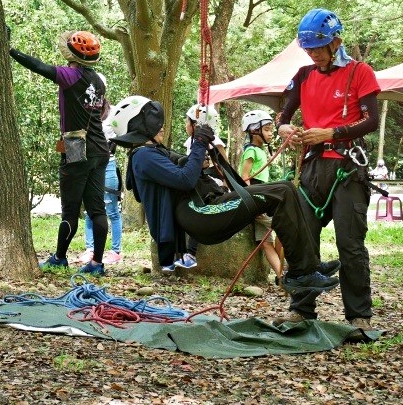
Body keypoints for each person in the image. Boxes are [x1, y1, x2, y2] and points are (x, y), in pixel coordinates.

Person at [106, 96, 339, 300]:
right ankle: (302, 272)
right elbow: (185, 180)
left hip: (204, 208)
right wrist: (198, 143)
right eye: (156, 124)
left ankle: (307, 267)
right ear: (141, 126)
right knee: (283, 191)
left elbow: (186, 168)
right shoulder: (144, 156)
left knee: (286, 189)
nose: (161, 129)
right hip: (200, 213)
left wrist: (204, 146)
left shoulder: (154, 153)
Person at [276, 8, 380, 330]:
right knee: (303, 239)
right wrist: (284, 129)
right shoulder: (304, 75)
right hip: (312, 168)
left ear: (336, 42)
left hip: (348, 167)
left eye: (318, 48)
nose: (313, 55)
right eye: (308, 49)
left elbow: (371, 121)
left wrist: (331, 133)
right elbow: (284, 115)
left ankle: (359, 315)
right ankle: (302, 309)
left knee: (349, 243)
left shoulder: (360, 72)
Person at [10, 30, 109, 276]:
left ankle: (59, 258)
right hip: (101, 148)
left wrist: (11, 51)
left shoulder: (70, 75)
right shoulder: (97, 80)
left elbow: (39, 67)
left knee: (70, 209)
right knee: (97, 209)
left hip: (77, 148)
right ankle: (97, 263)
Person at [174, 104, 228, 272]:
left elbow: (224, 165)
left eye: (187, 121)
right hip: (197, 181)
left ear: (195, 124)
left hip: (211, 183)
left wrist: (225, 182)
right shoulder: (191, 142)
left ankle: (191, 253)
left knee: (199, 207)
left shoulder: (214, 143)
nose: (185, 124)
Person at [80, 78, 123, 266]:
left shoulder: (113, 113)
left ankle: (115, 251)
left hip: (108, 164)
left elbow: (122, 135)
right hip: (88, 163)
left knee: (112, 210)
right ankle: (90, 249)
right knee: (90, 209)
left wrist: (109, 147)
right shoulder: (82, 110)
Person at [240, 109, 284, 283]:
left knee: (267, 241)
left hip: (261, 198)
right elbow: (245, 177)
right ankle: (286, 272)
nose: (270, 133)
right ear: (253, 130)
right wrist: (253, 203)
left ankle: (282, 274)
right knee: (276, 232)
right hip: (257, 199)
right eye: (266, 129)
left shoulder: (260, 151)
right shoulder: (251, 151)